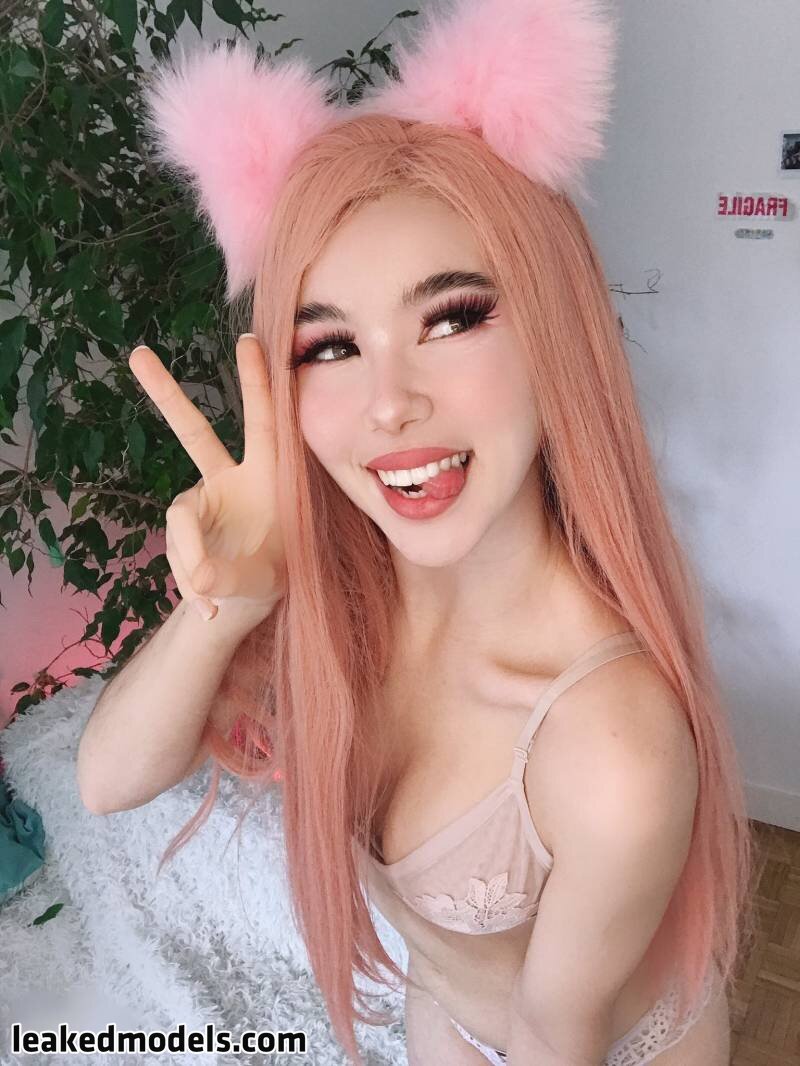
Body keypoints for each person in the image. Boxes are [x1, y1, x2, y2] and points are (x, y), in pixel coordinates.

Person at [77, 2, 756, 1064]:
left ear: (558, 334)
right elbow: (106, 781)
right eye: (330, 346)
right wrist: (228, 608)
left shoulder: (609, 741)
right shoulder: (342, 605)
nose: (390, 404)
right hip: (443, 1019)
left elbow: (555, 1034)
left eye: (453, 319)